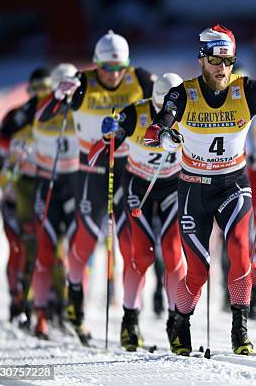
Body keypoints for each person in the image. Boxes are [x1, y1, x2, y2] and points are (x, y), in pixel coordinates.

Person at [144, 24, 256, 356]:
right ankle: (181, 321)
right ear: (202, 59)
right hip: (194, 189)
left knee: (241, 251)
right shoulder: (183, 92)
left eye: (228, 61)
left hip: (233, 185)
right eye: (215, 61)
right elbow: (161, 122)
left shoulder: (248, 89)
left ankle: (240, 329)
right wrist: (162, 132)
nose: (222, 69)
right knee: (198, 272)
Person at [39, 30, 155, 344]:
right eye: (107, 68)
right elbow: (43, 117)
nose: (113, 75)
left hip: (128, 169)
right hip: (90, 171)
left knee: (131, 247)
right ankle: (75, 292)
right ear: (96, 63)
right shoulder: (82, 83)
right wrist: (58, 97)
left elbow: (167, 104)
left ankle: (131, 319)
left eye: (119, 68)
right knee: (86, 239)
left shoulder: (140, 79)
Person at [88, 73, 186, 351]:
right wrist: (107, 136)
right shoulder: (137, 111)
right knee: (141, 255)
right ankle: (130, 320)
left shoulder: (189, 111)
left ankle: (176, 322)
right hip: (139, 186)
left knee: (172, 253)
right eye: (161, 106)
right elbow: (110, 141)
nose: (165, 112)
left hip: (171, 187)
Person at [0, 67, 52, 329]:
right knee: (18, 248)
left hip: (44, 189)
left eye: (45, 91)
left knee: (45, 248)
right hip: (15, 191)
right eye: (36, 91)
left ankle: (47, 304)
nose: (41, 96)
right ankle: (17, 300)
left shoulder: (57, 116)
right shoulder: (18, 115)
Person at [31, 63, 80, 339]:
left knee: (77, 252)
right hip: (47, 183)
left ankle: (75, 310)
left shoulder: (81, 103)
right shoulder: (41, 105)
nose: (67, 92)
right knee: (45, 252)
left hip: (74, 183)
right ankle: (41, 314)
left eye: (70, 87)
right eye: (62, 87)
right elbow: (30, 119)